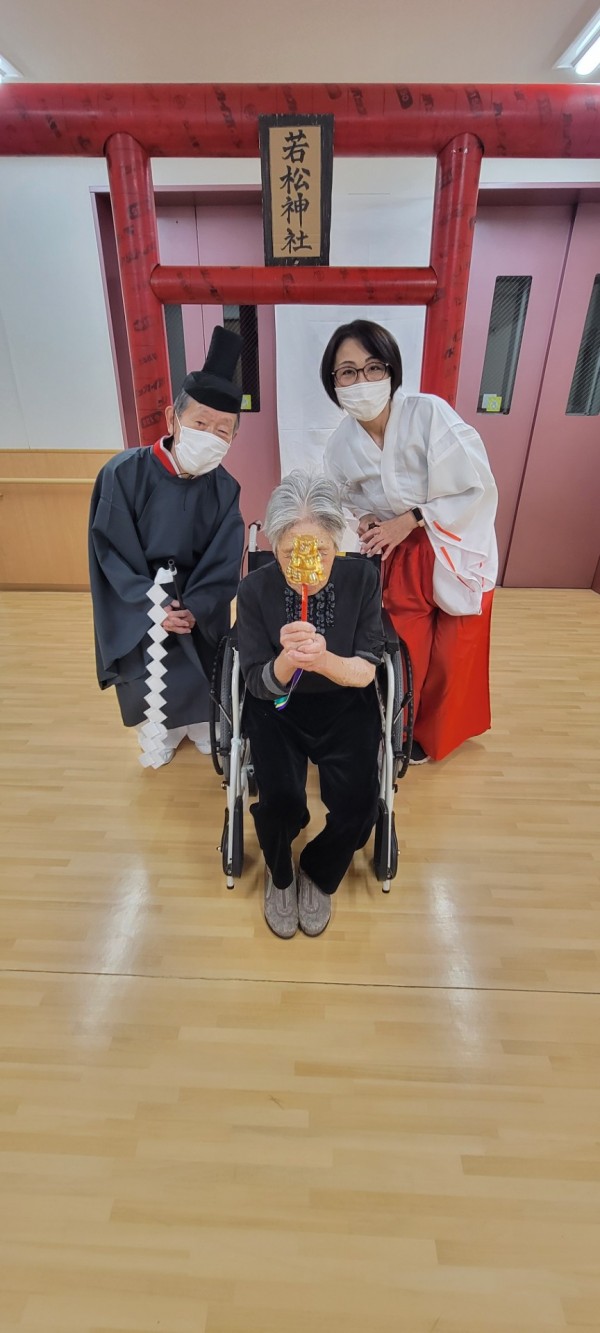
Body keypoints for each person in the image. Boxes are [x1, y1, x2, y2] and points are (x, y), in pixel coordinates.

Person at [320, 319, 498, 765]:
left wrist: (414, 518)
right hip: (398, 554)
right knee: (404, 648)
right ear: (334, 382)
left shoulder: (428, 414)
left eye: (373, 368)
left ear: (391, 370)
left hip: (454, 542)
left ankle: (438, 734)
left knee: (456, 650)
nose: (362, 381)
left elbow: (474, 485)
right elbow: (345, 498)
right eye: (347, 372)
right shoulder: (341, 444)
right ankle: (399, 727)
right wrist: (364, 519)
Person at [236, 471, 384, 940]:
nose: (309, 565)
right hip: (278, 706)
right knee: (279, 800)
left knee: (360, 805)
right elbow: (256, 683)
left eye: (321, 551)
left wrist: (323, 661)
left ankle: (318, 871)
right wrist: (286, 662)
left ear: (337, 542)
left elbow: (367, 669)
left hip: (346, 700)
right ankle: (280, 873)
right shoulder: (254, 590)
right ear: (275, 546)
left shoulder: (362, 579)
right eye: (291, 554)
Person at [89, 326, 245, 767]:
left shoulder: (225, 488)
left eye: (223, 430)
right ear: (172, 418)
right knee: (150, 675)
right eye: (201, 423)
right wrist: (152, 604)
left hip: (195, 600)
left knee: (201, 669)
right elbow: (110, 549)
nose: (211, 436)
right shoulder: (123, 473)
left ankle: (203, 724)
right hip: (140, 598)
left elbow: (224, 556)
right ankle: (161, 732)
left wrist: (193, 607)